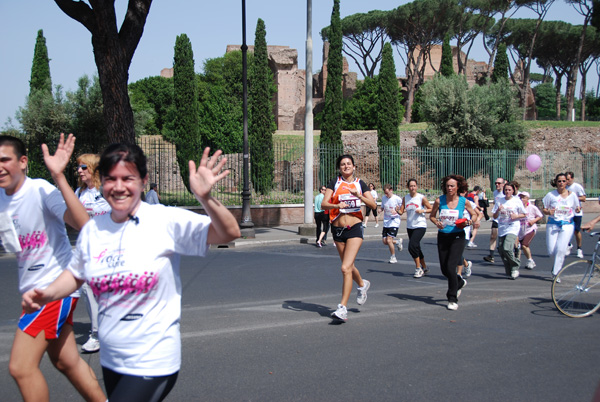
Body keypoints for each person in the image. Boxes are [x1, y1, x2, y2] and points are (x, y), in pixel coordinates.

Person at [22, 144, 241, 401]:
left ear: (143, 180)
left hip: (153, 360)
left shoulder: (163, 220)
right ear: (101, 181)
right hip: (113, 359)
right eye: (110, 179)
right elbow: (76, 273)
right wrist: (47, 293)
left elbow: (228, 232)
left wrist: (205, 198)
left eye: (128, 178)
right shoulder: (94, 230)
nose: (119, 186)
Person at [0, 134, 105, 401]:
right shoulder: (1, 199)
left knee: (21, 368)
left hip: (54, 291)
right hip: (34, 293)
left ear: (23, 162)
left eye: (5, 160)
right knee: (66, 361)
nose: (0, 167)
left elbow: (83, 223)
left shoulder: (40, 190)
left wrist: (58, 176)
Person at [322, 154, 375, 322]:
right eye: (343, 164)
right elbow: (324, 204)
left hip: (354, 228)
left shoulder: (360, 183)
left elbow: (373, 205)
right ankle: (362, 284)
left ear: (354, 166)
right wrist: (337, 205)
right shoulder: (334, 183)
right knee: (349, 266)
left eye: (349, 164)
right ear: (340, 168)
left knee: (345, 268)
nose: (346, 166)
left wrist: (358, 196)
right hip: (337, 229)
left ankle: (342, 308)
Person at [75, 153, 111, 353]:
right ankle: (97, 333)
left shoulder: (105, 191)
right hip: (88, 249)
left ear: (93, 169)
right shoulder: (79, 193)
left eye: (83, 167)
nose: (79, 171)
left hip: (109, 248)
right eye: (78, 167)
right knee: (88, 289)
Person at [430, 175, 480, 311]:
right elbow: (432, 216)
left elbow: (475, 215)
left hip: (457, 236)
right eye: (447, 186)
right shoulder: (439, 201)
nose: (449, 188)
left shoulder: (464, 201)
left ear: (458, 187)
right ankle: (460, 281)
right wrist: (437, 222)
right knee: (444, 269)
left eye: (452, 186)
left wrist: (469, 221)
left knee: (451, 266)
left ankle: (452, 298)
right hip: (443, 236)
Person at [542, 173, 581, 281]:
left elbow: (577, 207)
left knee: (560, 250)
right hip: (553, 223)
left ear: (567, 182)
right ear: (556, 182)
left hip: (567, 224)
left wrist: (577, 209)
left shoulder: (572, 195)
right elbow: (544, 209)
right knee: (551, 251)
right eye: (559, 181)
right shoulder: (551, 195)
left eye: (564, 181)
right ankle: (567, 247)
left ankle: (556, 273)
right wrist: (548, 211)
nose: (561, 183)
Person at [492, 181, 527, 279]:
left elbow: (524, 214)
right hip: (503, 226)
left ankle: (515, 266)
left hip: (513, 226)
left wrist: (516, 216)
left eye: (509, 190)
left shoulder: (517, 201)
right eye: (506, 190)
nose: (507, 192)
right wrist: (498, 210)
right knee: (501, 250)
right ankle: (509, 268)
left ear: (513, 191)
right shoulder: (500, 200)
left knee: (507, 247)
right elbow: (494, 215)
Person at [401, 179, 431, 278]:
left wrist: (422, 210)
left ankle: (418, 268)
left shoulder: (421, 198)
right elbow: (401, 211)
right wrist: (397, 211)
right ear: (408, 187)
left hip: (420, 225)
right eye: (411, 186)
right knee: (417, 247)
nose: (412, 188)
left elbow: (431, 209)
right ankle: (425, 267)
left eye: (414, 186)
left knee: (412, 247)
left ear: (417, 187)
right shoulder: (405, 198)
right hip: (410, 226)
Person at [518, 192, 543, 269]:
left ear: (527, 199)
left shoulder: (532, 207)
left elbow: (540, 216)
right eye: (520, 197)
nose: (521, 199)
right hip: (520, 230)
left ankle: (530, 260)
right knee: (518, 247)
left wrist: (533, 221)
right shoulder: (517, 208)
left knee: (525, 245)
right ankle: (517, 262)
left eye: (523, 197)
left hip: (530, 229)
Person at [380, 183, 403, 264]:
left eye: (387, 193)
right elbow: (383, 207)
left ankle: (393, 257)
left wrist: (397, 211)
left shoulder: (397, 199)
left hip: (394, 221)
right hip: (386, 221)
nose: (386, 195)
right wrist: (380, 210)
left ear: (391, 190)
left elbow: (403, 209)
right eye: (385, 193)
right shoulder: (384, 198)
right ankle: (398, 242)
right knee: (385, 241)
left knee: (389, 240)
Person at [484, 178, 505, 263]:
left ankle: (515, 250)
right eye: (496, 183)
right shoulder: (495, 192)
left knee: (504, 238)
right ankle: (491, 255)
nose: (497, 185)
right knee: (493, 235)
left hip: (505, 219)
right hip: (496, 217)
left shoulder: (506, 193)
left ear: (503, 184)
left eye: (499, 183)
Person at [566, 171, 586, 258]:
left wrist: (573, 198)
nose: (566, 181)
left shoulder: (577, 187)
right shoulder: (564, 187)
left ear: (572, 179)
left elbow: (584, 198)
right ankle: (568, 244)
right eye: (565, 179)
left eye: (568, 179)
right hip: (567, 213)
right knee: (566, 230)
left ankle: (579, 249)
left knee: (576, 230)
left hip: (576, 213)